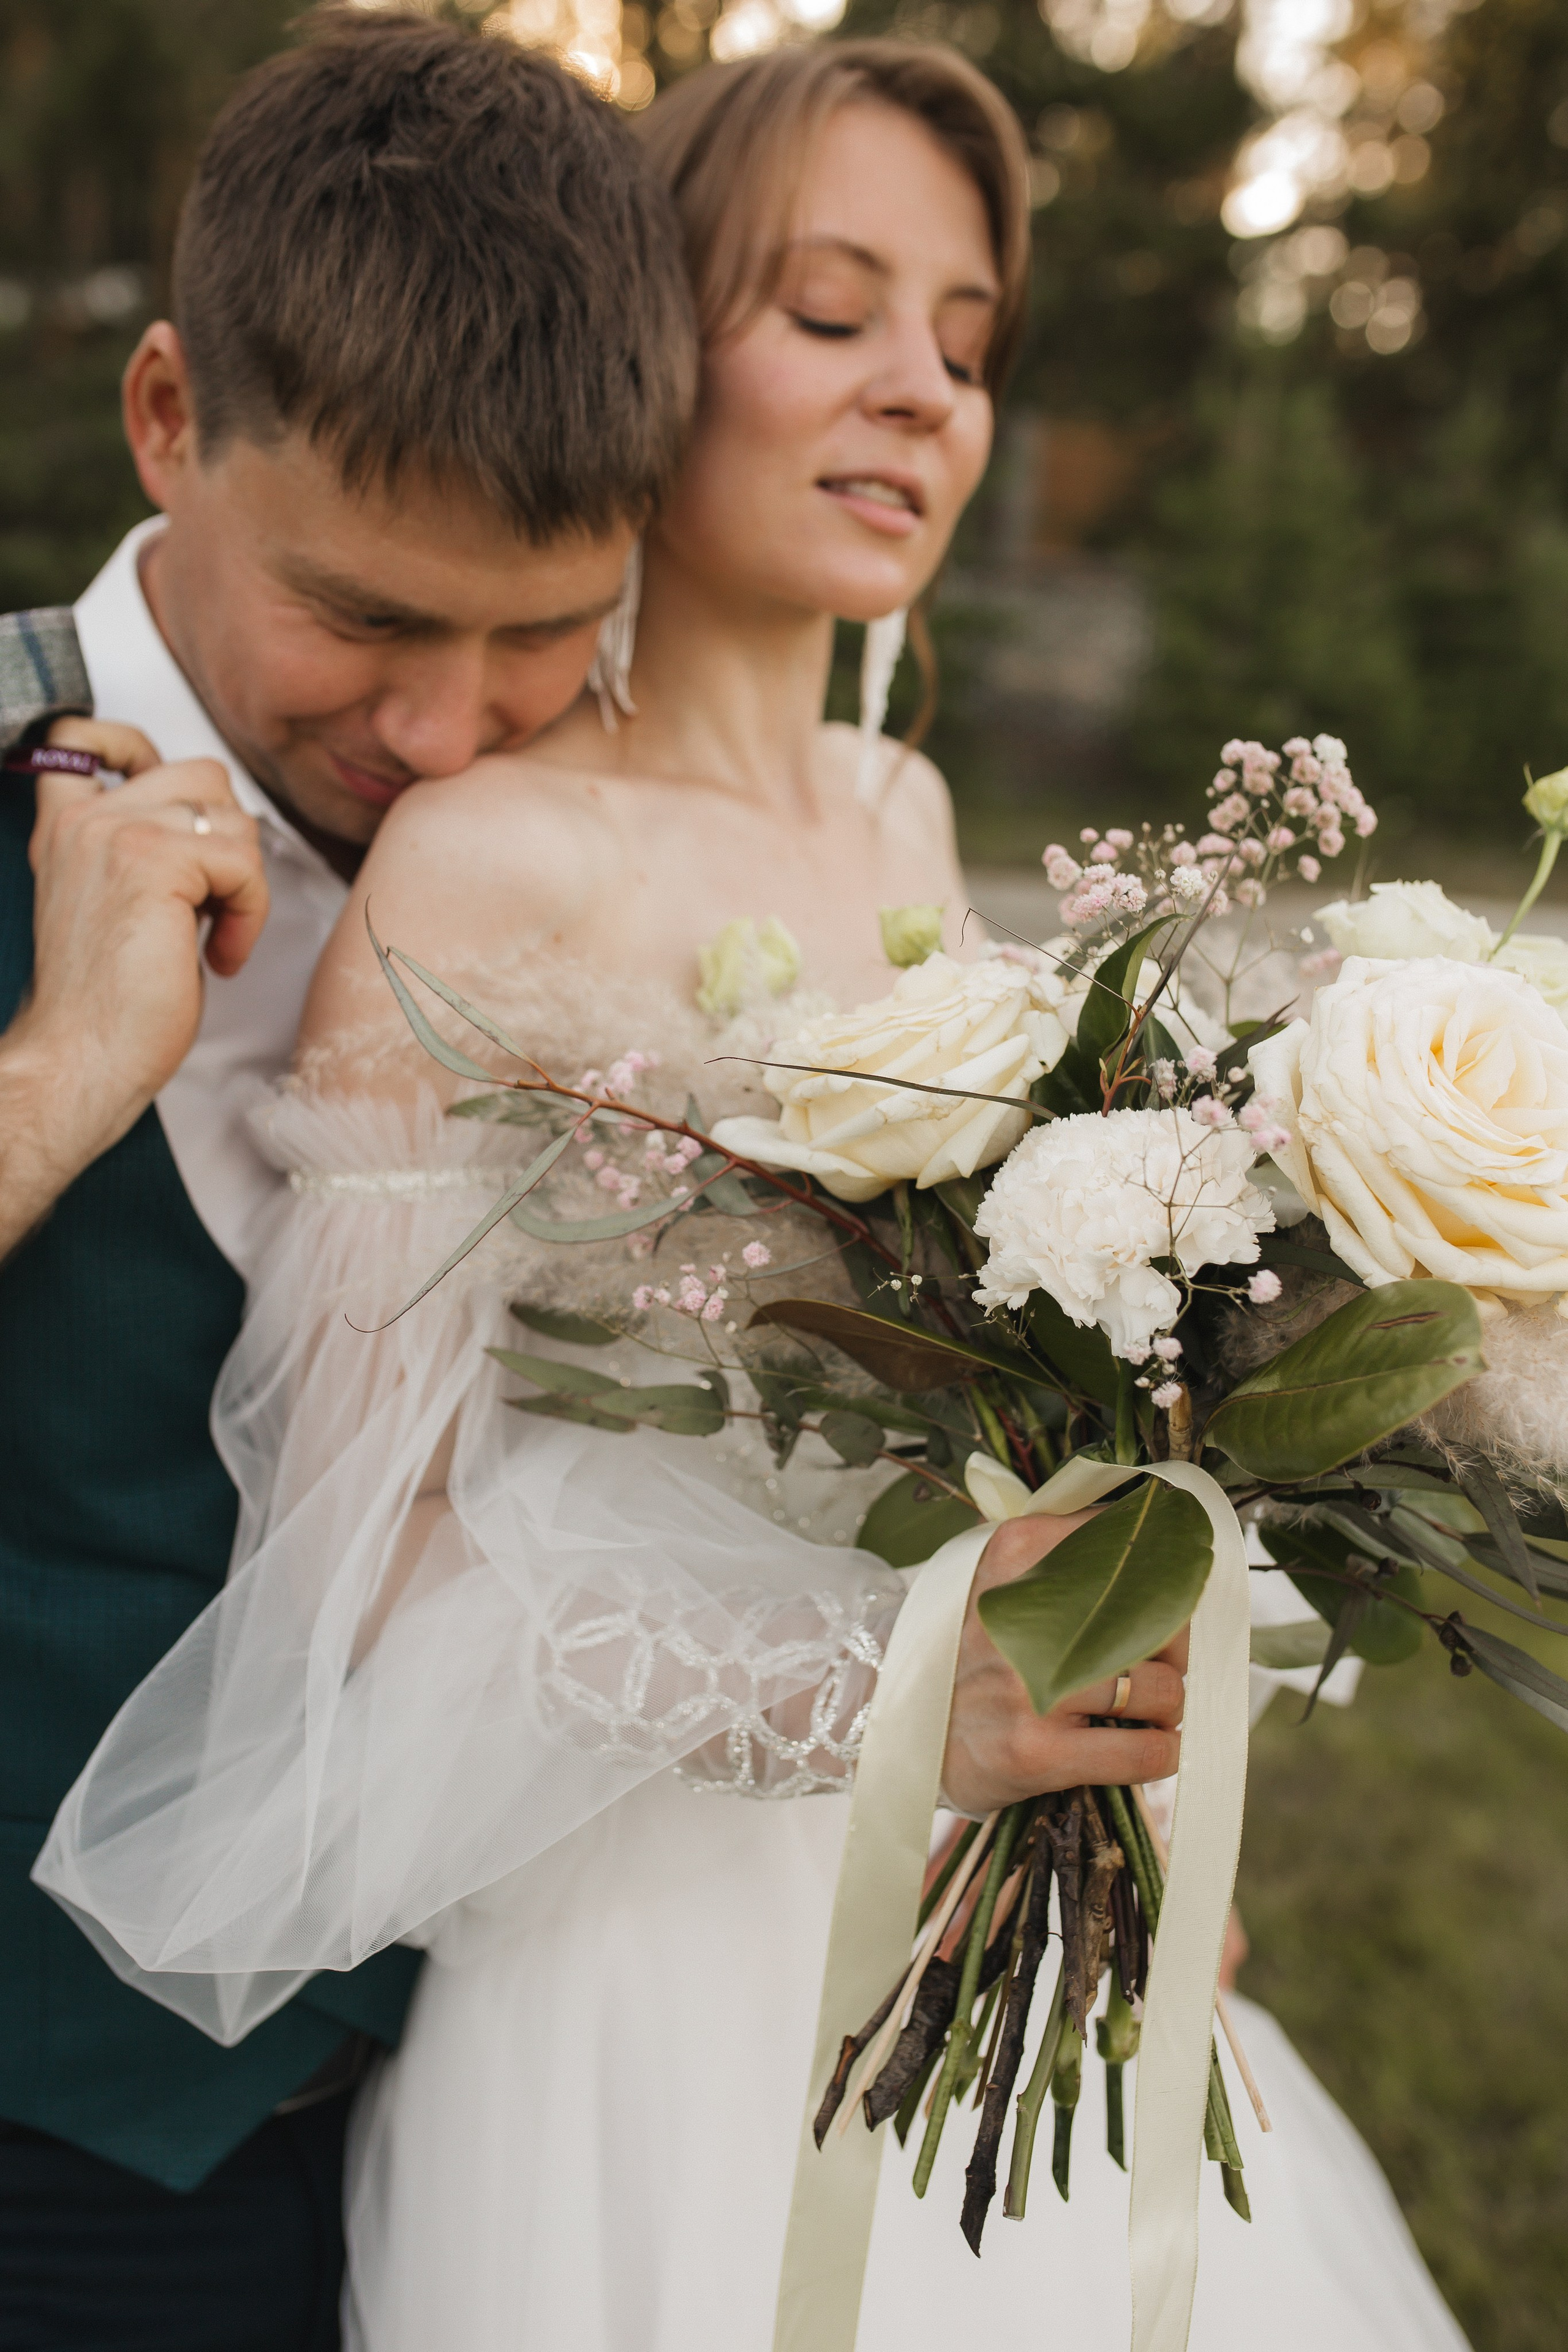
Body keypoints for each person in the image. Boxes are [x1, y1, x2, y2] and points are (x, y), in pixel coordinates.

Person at [35, 36, 1468, 2352]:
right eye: (829, 312)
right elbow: (360, 1591)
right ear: (642, 359)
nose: (920, 387)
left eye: (970, 339)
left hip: (962, 1896)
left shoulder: (899, 819)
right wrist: (912, 1691)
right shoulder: (481, 858)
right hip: (637, 1975)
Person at [0, 9, 696, 2346]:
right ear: (172, 418)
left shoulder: (602, 853)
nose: (443, 731)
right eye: (368, 618)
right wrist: (65, 1061)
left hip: (477, 2130)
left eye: (540, 630)